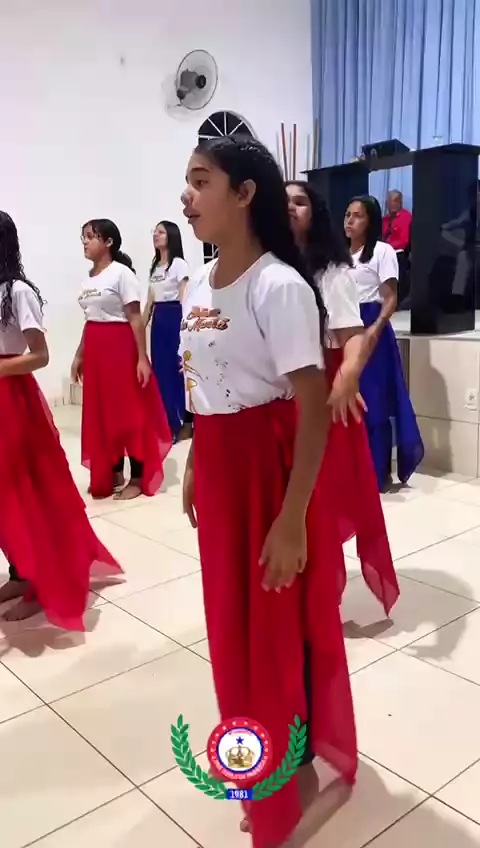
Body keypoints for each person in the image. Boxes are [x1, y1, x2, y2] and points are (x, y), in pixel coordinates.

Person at [180, 137, 357, 848]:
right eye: (187, 183)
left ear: (245, 192)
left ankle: (286, 768)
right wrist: (195, 462)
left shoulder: (278, 285)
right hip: (221, 466)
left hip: (268, 471)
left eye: (201, 181)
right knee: (231, 620)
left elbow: (311, 407)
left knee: (276, 626)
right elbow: (202, 383)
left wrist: (292, 518)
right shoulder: (198, 284)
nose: (187, 196)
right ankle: (255, 750)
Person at [0, 211, 122, 626]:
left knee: (26, 490)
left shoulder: (18, 292)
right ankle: (20, 572)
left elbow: (40, 355)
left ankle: (43, 582)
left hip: (14, 400)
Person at [286, 181, 398, 614]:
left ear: (315, 212)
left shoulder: (333, 271)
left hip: (319, 385)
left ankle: (321, 593)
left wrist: (349, 373)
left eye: (299, 201)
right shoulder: (264, 264)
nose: (290, 207)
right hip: (275, 391)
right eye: (283, 201)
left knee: (320, 494)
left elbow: (350, 336)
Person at [71, 219, 171, 500]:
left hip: (120, 348)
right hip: (96, 349)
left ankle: (138, 476)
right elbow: (90, 320)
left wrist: (142, 358)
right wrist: (79, 354)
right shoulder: (88, 279)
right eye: (83, 237)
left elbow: (135, 318)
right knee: (103, 412)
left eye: (90, 236)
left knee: (129, 412)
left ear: (108, 242)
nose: (85, 242)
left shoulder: (121, 274)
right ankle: (113, 471)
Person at [345, 196, 424, 490]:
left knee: (374, 400)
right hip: (345, 327)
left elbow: (390, 299)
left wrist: (374, 331)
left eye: (357, 215)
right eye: (347, 214)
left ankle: (377, 472)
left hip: (371, 326)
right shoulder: (340, 256)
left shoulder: (382, 251)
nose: (350, 221)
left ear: (371, 221)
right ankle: (352, 471)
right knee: (348, 399)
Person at [144, 221, 192, 441]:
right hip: (159, 320)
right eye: (155, 231)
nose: (156, 235)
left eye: (161, 232)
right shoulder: (155, 267)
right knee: (160, 372)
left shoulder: (179, 265)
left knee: (176, 372)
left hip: (175, 318)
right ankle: (166, 423)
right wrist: (139, 327)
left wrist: (185, 328)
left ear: (171, 236)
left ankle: (182, 423)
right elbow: (149, 302)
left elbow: (184, 297)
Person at [383, 190, 412, 306]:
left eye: (395, 201)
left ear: (401, 203)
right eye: (390, 201)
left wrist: (385, 247)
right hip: (382, 254)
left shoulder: (406, 217)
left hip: (397, 254)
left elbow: (403, 242)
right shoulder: (384, 220)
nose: (392, 204)